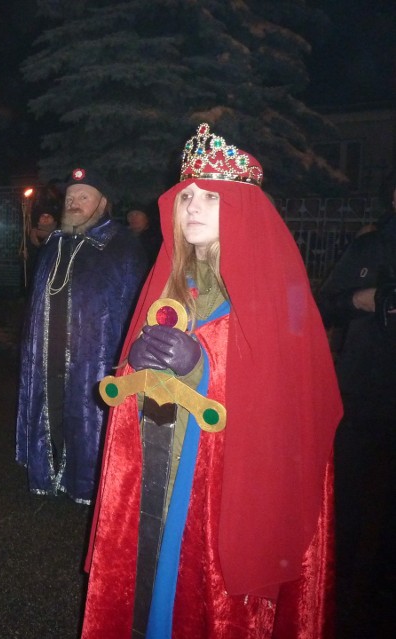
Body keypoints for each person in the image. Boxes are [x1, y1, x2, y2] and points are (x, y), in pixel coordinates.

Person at [82, 124, 342, 637]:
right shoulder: (170, 282)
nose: (192, 207)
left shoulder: (276, 291)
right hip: (166, 464)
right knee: (160, 582)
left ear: (240, 207)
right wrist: (137, 363)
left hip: (226, 482)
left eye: (209, 197)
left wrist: (202, 367)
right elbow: (130, 387)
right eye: (186, 198)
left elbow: (294, 403)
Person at [16, 166, 148, 503]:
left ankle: (90, 482)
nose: (73, 202)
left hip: (97, 357)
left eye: (83, 196)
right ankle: (52, 471)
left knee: (88, 416)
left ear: (103, 203)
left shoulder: (122, 247)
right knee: (55, 409)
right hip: (50, 350)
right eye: (71, 197)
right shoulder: (54, 244)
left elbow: (133, 307)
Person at [317, 181, 396, 633]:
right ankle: (342, 592)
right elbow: (325, 304)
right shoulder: (369, 244)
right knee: (353, 498)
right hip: (364, 394)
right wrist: (356, 300)